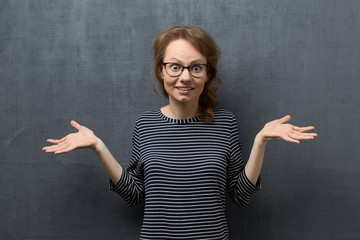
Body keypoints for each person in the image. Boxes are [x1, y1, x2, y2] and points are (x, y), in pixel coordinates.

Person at [42, 26, 317, 239]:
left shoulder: (225, 123)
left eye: (196, 67)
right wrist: (98, 147)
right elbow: (135, 195)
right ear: (161, 71)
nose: (185, 77)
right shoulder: (145, 125)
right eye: (175, 66)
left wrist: (260, 142)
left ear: (208, 74)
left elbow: (241, 196)